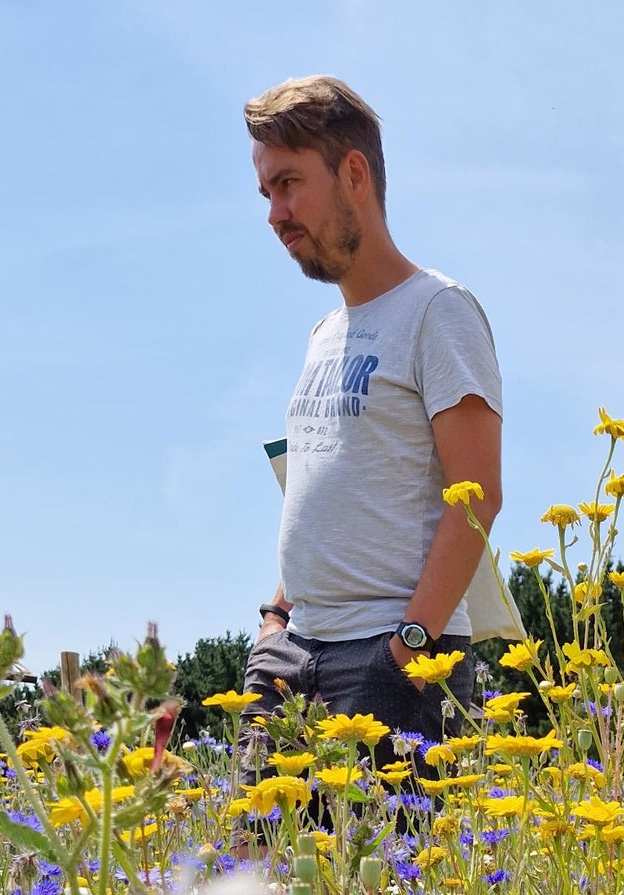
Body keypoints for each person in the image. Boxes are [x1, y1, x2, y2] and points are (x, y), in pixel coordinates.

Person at [241, 76, 501, 766]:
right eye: (266, 192)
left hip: (391, 660)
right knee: (251, 873)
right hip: (291, 658)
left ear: (353, 172)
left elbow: (477, 495)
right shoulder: (325, 331)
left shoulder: (438, 311)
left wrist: (407, 649)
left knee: (392, 876)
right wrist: (274, 621)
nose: (274, 212)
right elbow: (323, 492)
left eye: (289, 183)